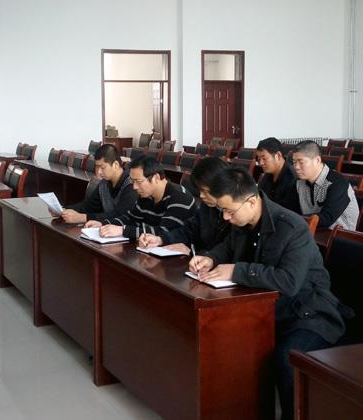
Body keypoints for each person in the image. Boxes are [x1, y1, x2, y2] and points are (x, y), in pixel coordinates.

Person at [188, 167, 345, 420]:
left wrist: (237, 271)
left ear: (251, 201)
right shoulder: (242, 220)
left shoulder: (291, 227)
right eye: (222, 211)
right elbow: (226, 248)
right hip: (266, 310)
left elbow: (289, 282)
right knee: (223, 340)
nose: (226, 217)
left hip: (307, 313)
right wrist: (210, 258)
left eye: (229, 211)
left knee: (285, 358)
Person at [85, 156, 196, 239]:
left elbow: (164, 232)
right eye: (132, 181)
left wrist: (123, 230)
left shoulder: (180, 197)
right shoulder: (146, 195)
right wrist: (104, 223)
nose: (134, 187)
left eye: (138, 181)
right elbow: (131, 218)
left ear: (156, 177)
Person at [139, 157, 230, 254]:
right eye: (200, 190)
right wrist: (160, 239)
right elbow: (187, 231)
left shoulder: (235, 214)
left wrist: (193, 252)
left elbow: (227, 253)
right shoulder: (207, 207)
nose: (201, 196)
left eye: (205, 191)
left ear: (222, 186)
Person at [59, 144, 137, 223]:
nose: (99, 172)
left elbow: (119, 215)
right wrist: (64, 210)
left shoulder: (132, 185)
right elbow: (89, 206)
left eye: (103, 167)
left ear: (116, 165)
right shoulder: (104, 183)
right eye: (97, 167)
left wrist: (84, 217)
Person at [292, 140, 359, 230]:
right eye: (294, 162)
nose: (296, 167)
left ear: (317, 160)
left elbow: (327, 218)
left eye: (301, 162)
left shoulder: (337, 183)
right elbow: (290, 209)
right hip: (310, 230)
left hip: (339, 235)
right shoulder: (299, 182)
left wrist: (293, 219)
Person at [255, 137, 301, 213]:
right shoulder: (267, 175)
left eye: (264, 158)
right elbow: (259, 197)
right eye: (259, 159)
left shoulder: (292, 179)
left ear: (278, 155)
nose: (261, 163)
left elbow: (287, 212)